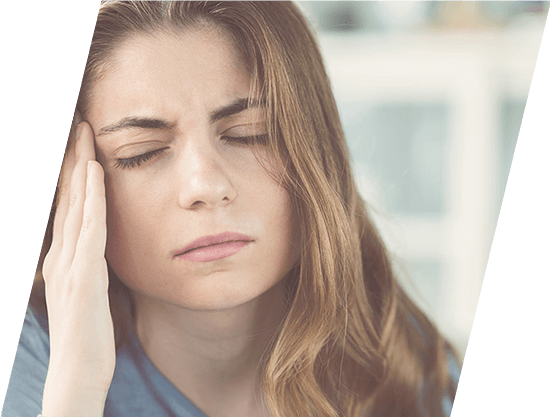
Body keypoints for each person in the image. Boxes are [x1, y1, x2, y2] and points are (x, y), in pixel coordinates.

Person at [3, 1, 461, 416]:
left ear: (319, 156)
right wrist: (76, 392)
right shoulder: (33, 359)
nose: (206, 186)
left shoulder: (408, 368)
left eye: (250, 134)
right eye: (141, 151)